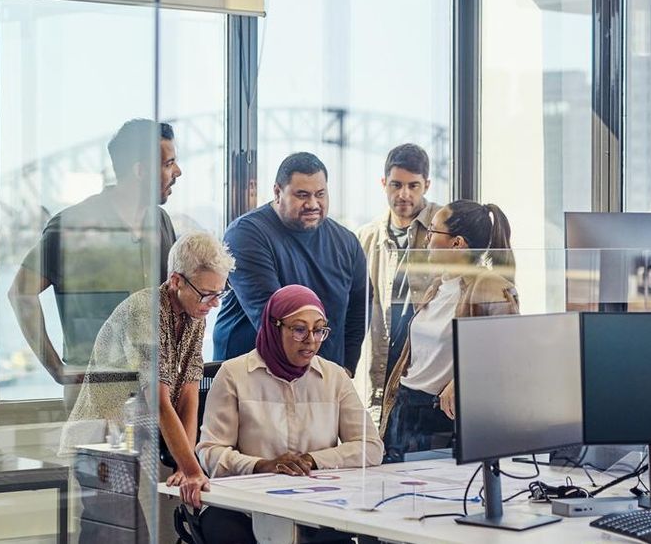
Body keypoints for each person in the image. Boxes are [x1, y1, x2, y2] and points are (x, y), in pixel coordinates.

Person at [60, 232, 234, 517]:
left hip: (133, 437)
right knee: (117, 527)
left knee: (125, 527)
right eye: (207, 294)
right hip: (101, 438)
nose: (214, 304)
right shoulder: (146, 311)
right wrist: (192, 470)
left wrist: (184, 465)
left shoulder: (194, 312)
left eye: (219, 294)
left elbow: (189, 394)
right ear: (176, 281)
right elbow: (159, 402)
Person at [196, 285, 383, 542]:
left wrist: (312, 460)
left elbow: (371, 447)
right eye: (299, 329)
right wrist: (261, 466)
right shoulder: (234, 374)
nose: (311, 340)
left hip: (318, 503)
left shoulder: (334, 377)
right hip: (244, 505)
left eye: (319, 330)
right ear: (275, 328)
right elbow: (210, 453)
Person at [8, 119, 181, 396]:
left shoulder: (161, 221)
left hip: (154, 390)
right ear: (141, 171)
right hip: (93, 393)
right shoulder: (73, 225)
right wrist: (56, 368)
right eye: (169, 163)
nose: (178, 172)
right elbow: (21, 292)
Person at [380, 200, 518, 463]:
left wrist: (462, 380)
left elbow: (508, 354)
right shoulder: (438, 285)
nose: (427, 238)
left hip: (441, 415)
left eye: (433, 231)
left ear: (457, 243)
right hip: (406, 407)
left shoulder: (490, 286)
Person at [213, 152, 367, 375]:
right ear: (278, 192)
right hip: (252, 379)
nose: (312, 204)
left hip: (323, 379)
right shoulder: (245, 235)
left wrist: (345, 370)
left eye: (320, 194)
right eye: (302, 195)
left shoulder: (346, 242)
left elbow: (359, 309)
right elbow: (274, 322)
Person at [357, 144, 441, 414]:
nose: (404, 194)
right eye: (396, 185)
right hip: (380, 366)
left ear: (426, 185)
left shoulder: (445, 230)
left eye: (413, 186)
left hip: (429, 370)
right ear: (384, 183)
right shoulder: (366, 237)